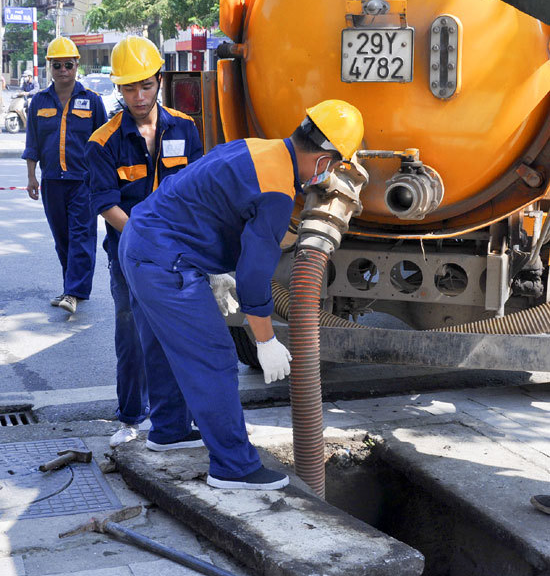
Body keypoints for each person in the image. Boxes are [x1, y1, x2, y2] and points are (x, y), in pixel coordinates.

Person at [117, 99, 364, 490]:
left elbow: (247, 223)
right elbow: (253, 275)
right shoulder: (277, 191)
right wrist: (265, 340)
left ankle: (168, 430)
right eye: (334, 166)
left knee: (165, 347)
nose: (330, 175)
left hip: (139, 240)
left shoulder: (259, 149)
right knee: (213, 358)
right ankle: (233, 467)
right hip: (166, 261)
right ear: (324, 160)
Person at [85, 35, 203, 448]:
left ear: (159, 82)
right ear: (118, 88)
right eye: (129, 87)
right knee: (132, 332)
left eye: (145, 86)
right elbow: (105, 203)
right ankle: (132, 416)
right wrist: (143, 238)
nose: (138, 96)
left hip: (178, 253)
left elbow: (197, 191)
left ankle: (176, 419)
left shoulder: (185, 128)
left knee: (179, 334)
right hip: (130, 253)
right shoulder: (103, 140)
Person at [22, 36, 108, 314]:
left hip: (83, 182)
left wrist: (103, 179)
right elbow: (32, 142)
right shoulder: (38, 101)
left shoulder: (92, 101)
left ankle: (74, 291)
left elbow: (104, 144)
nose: (63, 70)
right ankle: (72, 287)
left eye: (68, 65)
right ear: (50, 67)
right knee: (63, 238)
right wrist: (32, 177)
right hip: (51, 183)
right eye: (57, 65)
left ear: (76, 66)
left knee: (82, 235)